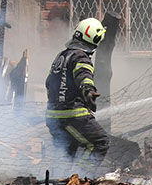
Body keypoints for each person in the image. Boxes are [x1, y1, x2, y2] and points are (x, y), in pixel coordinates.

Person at [44, 18, 110, 164]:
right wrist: (88, 91)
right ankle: (82, 178)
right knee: (99, 143)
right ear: (95, 38)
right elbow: (83, 76)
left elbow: (49, 83)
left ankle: (62, 181)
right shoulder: (81, 57)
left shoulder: (61, 56)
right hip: (73, 116)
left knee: (67, 153)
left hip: (52, 117)